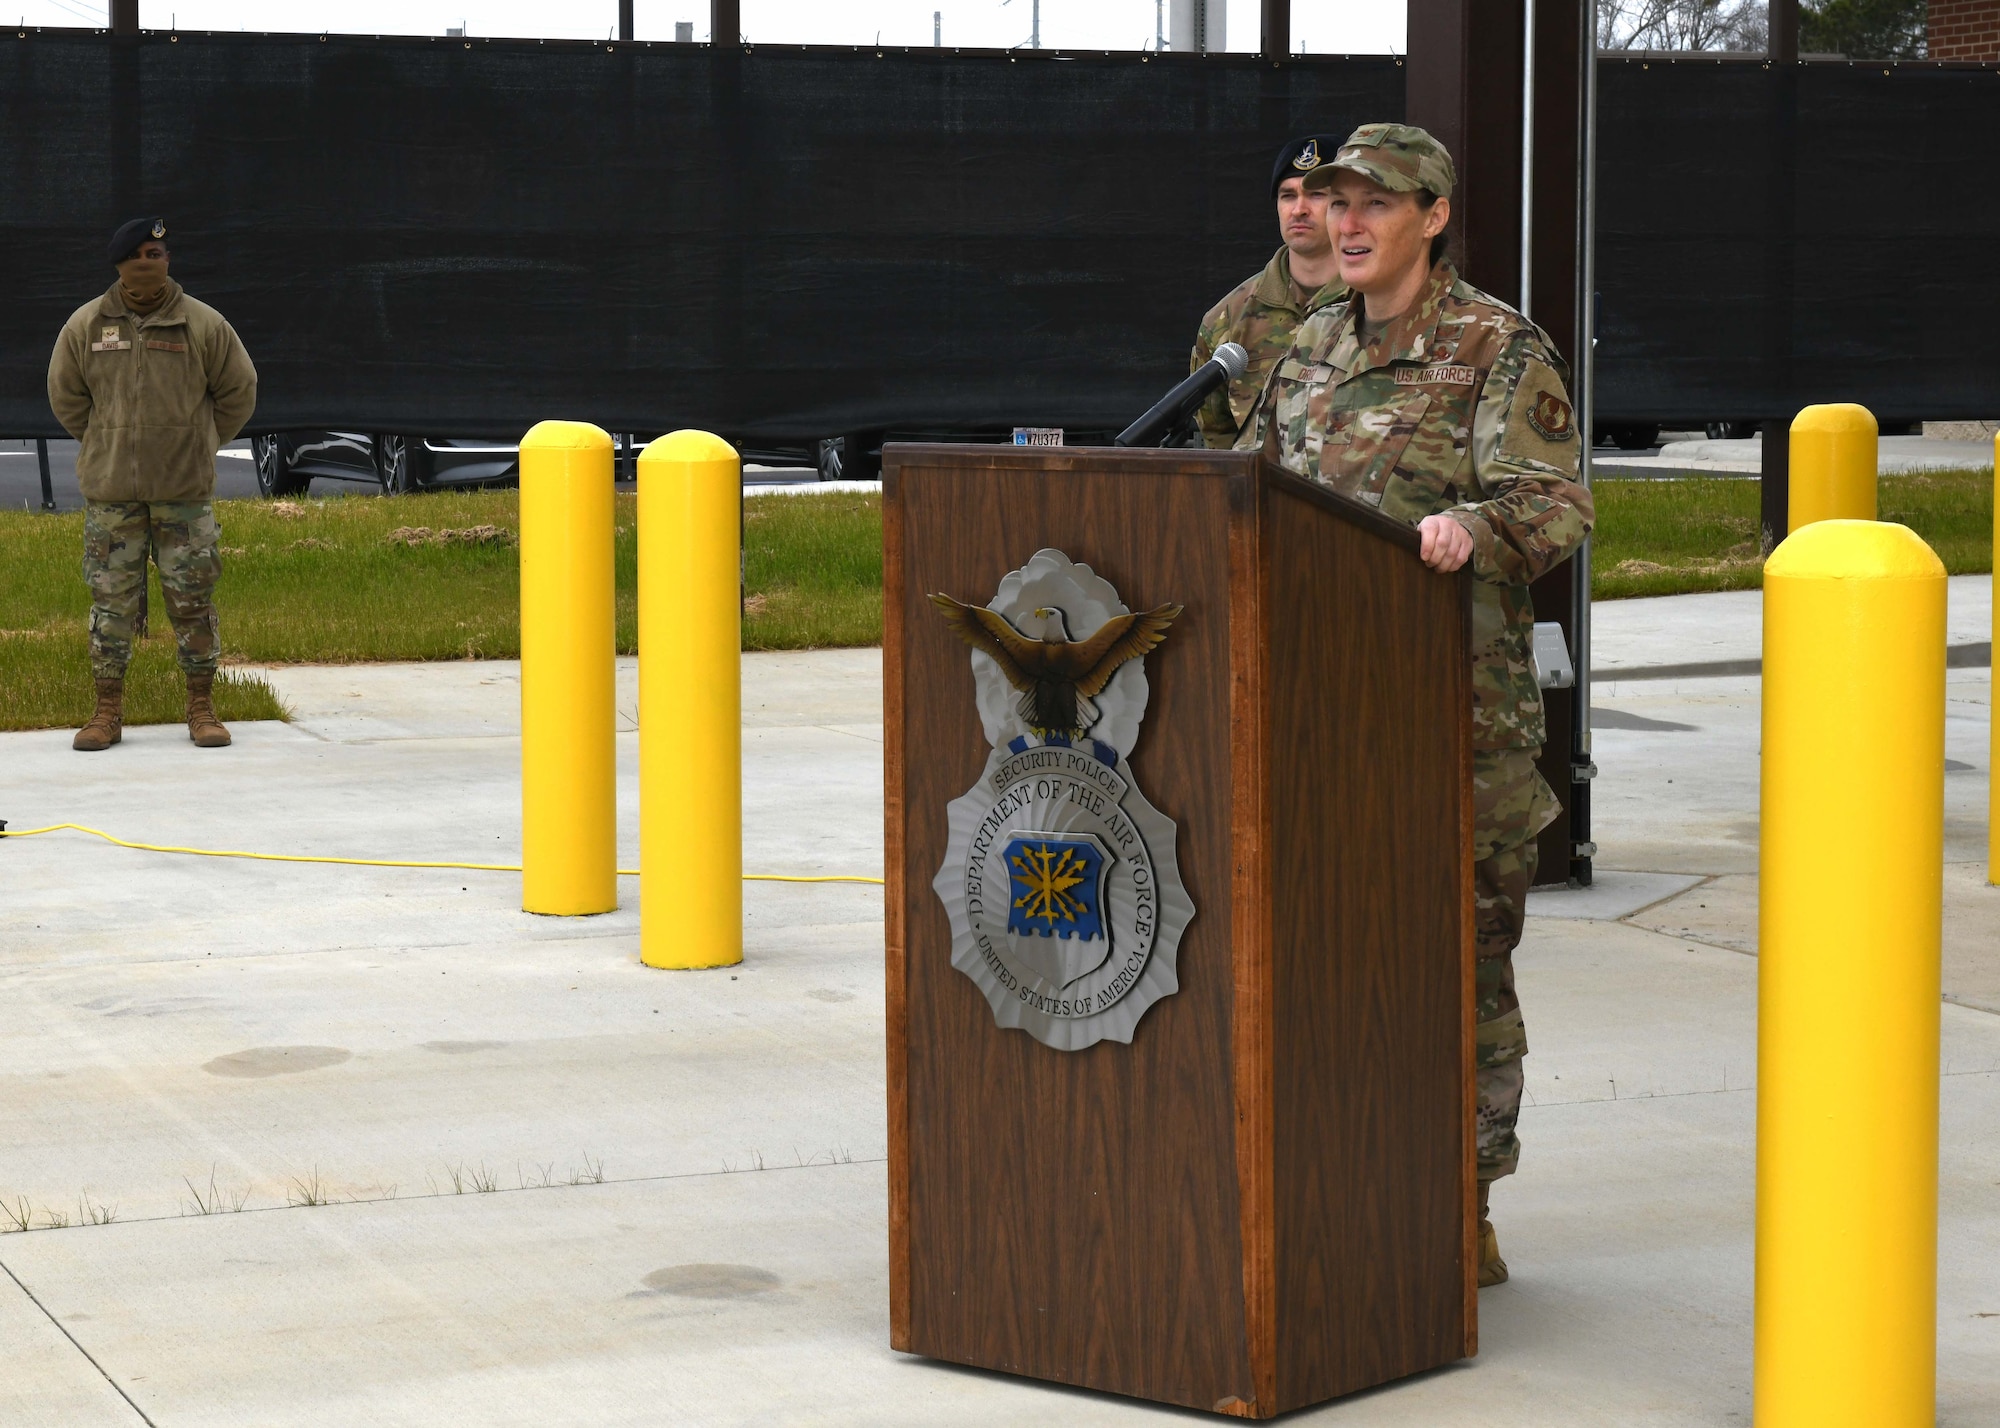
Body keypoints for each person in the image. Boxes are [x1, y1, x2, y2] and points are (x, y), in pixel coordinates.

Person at [1239, 123, 1593, 1288]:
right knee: (1326, 972)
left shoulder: (1493, 346)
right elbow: (1242, 492)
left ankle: (1460, 1211)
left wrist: (1472, 529)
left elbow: (1555, 504)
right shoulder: (1303, 350)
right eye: (1335, 202)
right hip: (1310, 721)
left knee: (1456, 978)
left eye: (1373, 205)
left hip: (1451, 730)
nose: (1344, 223)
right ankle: (1342, 1194)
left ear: (1431, 217)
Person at [48, 217, 258, 752]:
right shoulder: (88, 326)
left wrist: (200, 440)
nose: (152, 264)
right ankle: (106, 713)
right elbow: (67, 396)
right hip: (112, 493)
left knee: (191, 600)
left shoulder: (202, 325)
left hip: (184, 493)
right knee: (111, 603)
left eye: (159, 254)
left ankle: (202, 707)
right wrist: (104, 440)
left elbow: (239, 389)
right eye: (141, 255)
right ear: (121, 265)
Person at [1188, 133, 1350, 448]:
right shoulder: (1228, 319)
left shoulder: (1376, 301)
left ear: (1345, 205)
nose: (1299, 209)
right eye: (1287, 195)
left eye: (1316, 195)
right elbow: (1218, 435)